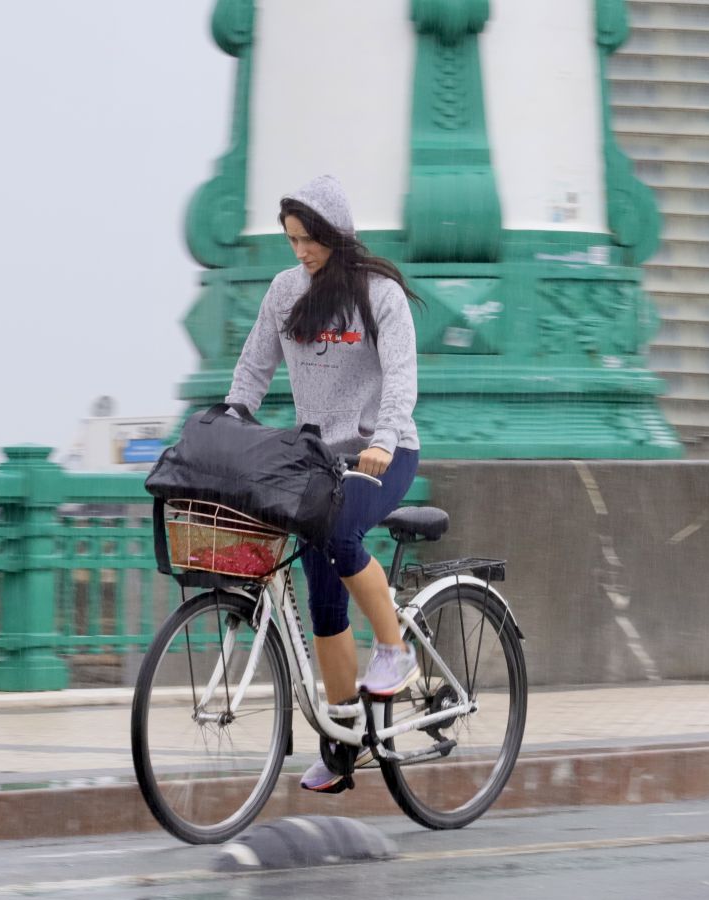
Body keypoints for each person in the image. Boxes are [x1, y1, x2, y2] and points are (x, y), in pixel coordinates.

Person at [225, 174, 424, 792]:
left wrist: (383, 441)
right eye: (292, 240)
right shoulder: (285, 292)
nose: (302, 251)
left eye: (311, 239)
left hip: (382, 456)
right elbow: (253, 369)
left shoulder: (379, 294)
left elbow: (400, 378)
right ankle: (344, 747)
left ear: (338, 234)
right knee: (322, 600)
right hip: (314, 461)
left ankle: (397, 650)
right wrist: (228, 423)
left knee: (340, 533)